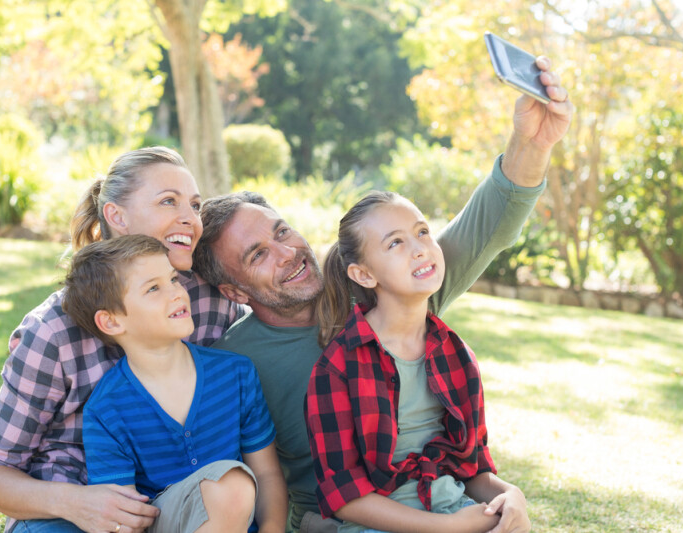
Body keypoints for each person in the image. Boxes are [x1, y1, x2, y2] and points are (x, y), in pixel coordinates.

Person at [193, 56, 572, 532]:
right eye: (258, 255)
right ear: (233, 290)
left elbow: (488, 224)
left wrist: (533, 141)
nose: (288, 252)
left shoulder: (389, 287)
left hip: (437, 501)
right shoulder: (235, 363)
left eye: (283, 231)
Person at [0, 147, 247, 533]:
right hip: (70, 505)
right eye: (169, 201)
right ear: (117, 216)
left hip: (172, 496)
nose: (190, 218)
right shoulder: (52, 332)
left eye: (195, 205)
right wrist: (77, 503)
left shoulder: (203, 299)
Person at [305, 191, 529, 533]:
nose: (420, 247)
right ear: (364, 274)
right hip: (377, 523)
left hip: (456, 508)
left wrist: (512, 495)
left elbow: (472, 470)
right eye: (395, 243)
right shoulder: (337, 368)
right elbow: (346, 498)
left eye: (422, 231)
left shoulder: (456, 355)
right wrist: (448, 527)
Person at [62, 234, 287, 533]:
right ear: (112, 322)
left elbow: (267, 473)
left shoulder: (235, 373)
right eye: (154, 288)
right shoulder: (106, 410)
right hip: (161, 523)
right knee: (230, 485)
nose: (177, 293)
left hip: (236, 515)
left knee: (233, 485)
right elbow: (121, 516)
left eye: (174, 280)